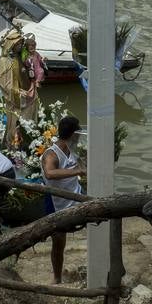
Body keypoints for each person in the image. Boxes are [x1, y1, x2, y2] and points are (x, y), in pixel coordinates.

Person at [42, 115, 85, 284]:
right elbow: (50, 173)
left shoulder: (72, 150)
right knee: (59, 243)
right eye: (78, 134)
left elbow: (82, 163)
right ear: (73, 134)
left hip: (77, 197)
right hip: (57, 205)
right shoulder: (51, 154)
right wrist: (77, 172)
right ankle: (57, 278)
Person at [21, 34, 47, 121]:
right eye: (30, 46)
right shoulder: (26, 55)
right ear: (27, 47)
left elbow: (40, 60)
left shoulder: (36, 54)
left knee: (41, 71)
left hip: (37, 69)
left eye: (33, 46)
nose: (32, 48)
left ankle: (38, 81)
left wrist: (43, 60)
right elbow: (24, 63)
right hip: (30, 71)